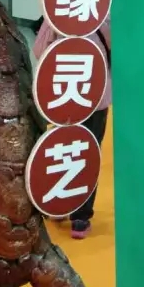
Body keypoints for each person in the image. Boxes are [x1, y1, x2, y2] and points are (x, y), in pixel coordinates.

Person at [32, 15, 112, 240]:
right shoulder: (103, 17)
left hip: (64, 98)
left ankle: (60, 204)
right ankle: (81, 217)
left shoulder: (58, 16)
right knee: (88, 151)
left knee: (62, 147)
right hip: (95, 96)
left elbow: (39, 50)